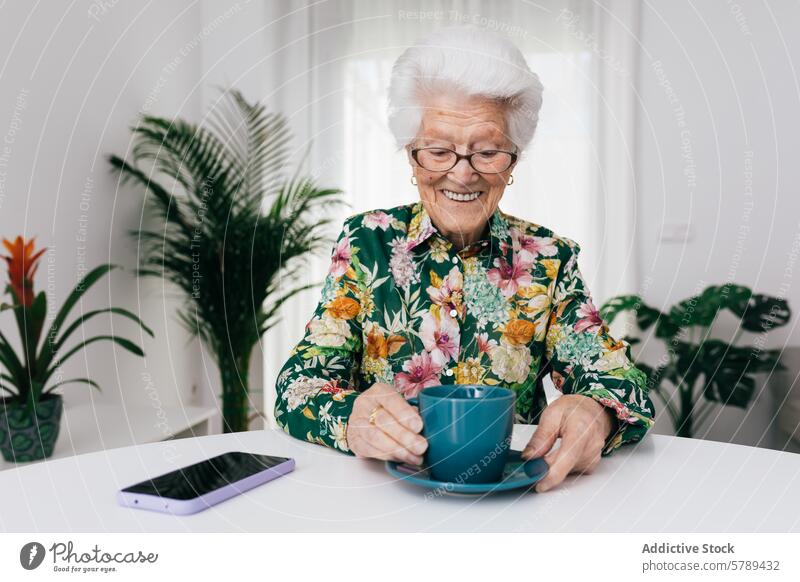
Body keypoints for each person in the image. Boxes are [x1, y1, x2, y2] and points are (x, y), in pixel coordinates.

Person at [274, 25, 655, 493]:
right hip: (384, 499)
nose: (462, 172)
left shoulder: (550, 258)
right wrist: (351, 419)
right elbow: (298, 388)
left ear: (512, 162)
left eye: (488, 151)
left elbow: (621, 383)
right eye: (438, 150)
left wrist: (595, 411)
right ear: (412, 159)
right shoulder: (365, 242)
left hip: (513, 498)